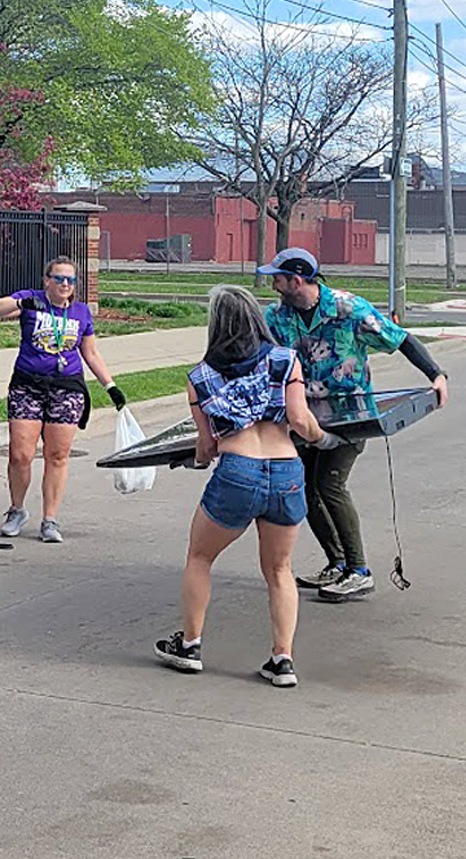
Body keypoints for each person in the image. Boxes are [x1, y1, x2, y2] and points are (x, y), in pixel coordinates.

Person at [154, 285, 343, 687]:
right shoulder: (284, 360)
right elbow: (301, 421)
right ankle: (282, 660)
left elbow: (206, 448)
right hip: (286, 471)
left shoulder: (200, 377)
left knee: (200, 557)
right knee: (279, 569)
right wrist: (325, 439)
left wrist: (197, 460)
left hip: (237, 470)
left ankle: (189, 645)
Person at [256, 247, 449, 602]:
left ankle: (359, 571)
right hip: (302, 415)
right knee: (304, 488)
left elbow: (399, 337)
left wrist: (436, 374)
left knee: (329, 483)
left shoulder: (348, 310)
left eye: (277, 279)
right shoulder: (278, 317)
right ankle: (338, 562)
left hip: (351, 415)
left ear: (297, 280)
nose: (272, 285)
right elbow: (256, 356)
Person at [0, 257, 126, 543]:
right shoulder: (30, 300)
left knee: (57, 455)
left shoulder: (81, 313)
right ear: (46, 280)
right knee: (21, 453)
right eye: (59, 278)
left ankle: (50, 520)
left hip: (66, 388)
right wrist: (22, 305)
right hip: (28, 385)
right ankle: (17, 510)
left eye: (70, 280)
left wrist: (110, 386)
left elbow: (91, 353)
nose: (65, 284)